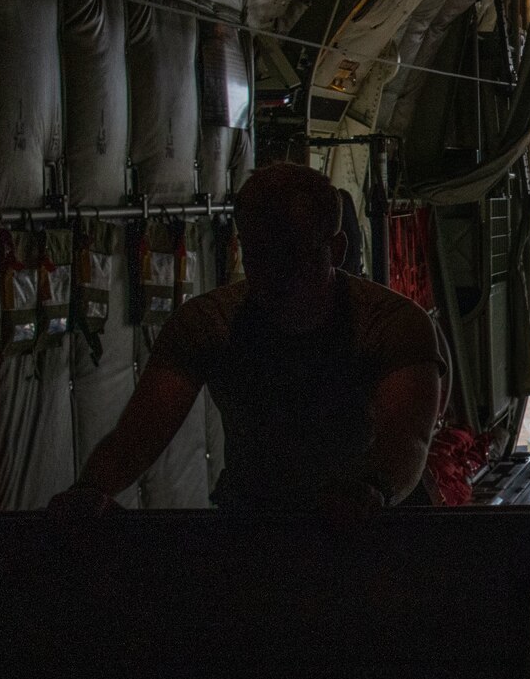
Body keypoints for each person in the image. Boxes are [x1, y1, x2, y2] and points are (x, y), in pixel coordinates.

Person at [48, 162, 446, 516]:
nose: (278, 277)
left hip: (378, 522)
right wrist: (90, 492)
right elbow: (134, 440)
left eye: (295, 256)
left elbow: (405, 441)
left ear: (336, 250)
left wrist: (370, 490)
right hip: (260, 519)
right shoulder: (208, 324)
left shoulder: (388, 324)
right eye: (261, 257)